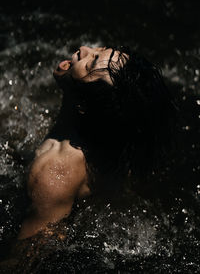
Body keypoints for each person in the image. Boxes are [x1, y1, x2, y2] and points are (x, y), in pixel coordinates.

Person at [18, 46, 178, 239]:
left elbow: (23, 260)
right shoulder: (116, 136)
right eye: (99, 50)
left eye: (91, 64)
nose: (84, 49)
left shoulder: (52, 174)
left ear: (84, 105)